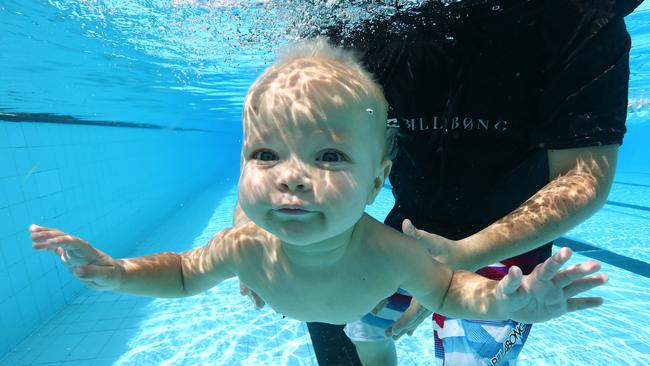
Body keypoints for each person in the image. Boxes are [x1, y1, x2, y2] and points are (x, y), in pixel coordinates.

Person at [30, 40, 606, 346]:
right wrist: (116, 272)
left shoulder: (390, 252)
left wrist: (508, 301)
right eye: (265, 154)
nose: (292, 176)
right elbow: (182, 273)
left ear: (377, 182)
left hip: (376, 293)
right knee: (369, 346)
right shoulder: (243, 245)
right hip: (355, 310)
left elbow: (452, 291)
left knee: (394, 334)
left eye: (329, 155)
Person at [266, 0, 641, 365]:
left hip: (511, 242)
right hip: (410, 232)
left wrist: (465, 255)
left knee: (472, 358)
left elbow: (582, 176)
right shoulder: (360, 24)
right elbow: (284, 142)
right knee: (349, 315)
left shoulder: (577, 14)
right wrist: (259, 237)